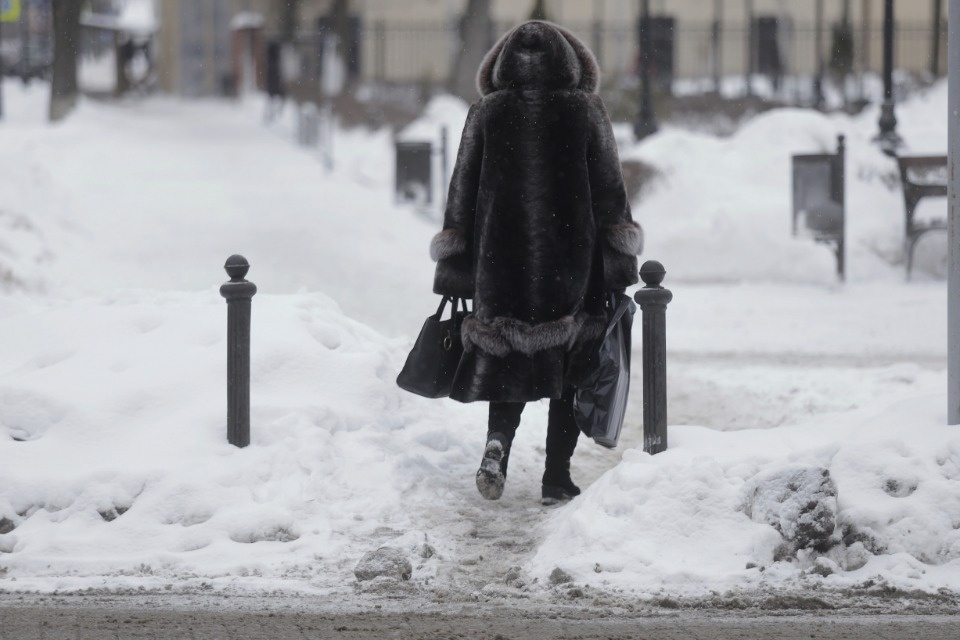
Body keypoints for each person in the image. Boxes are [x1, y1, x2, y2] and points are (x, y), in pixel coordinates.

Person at [429, 21, 643, 505]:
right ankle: (555, 478)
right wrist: (619, 268)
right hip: (572, 265)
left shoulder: (486, 112)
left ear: (499, 66)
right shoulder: (585, 111)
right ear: (572, 64)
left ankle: (497, 447)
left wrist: (455, 269)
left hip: (499, 265)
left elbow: (460, 197)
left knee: (507, 365)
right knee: (568, 371)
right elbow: (611, 195)